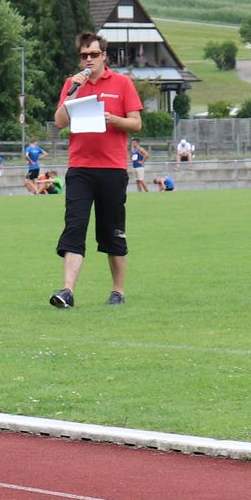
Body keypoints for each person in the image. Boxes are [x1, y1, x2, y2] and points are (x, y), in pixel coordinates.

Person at [48, 30, 142, 309]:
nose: (88, 60)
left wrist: (113, 118)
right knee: (74, 227)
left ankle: (118, 290)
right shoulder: (72, 84)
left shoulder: (122, 83)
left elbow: (136, 123)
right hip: (80, 168)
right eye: (83, 55)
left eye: (93, 54)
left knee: (112, 230)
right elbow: (59, 122)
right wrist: (71, 92)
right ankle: (67, 290)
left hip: (112, 169)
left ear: (104, 56)